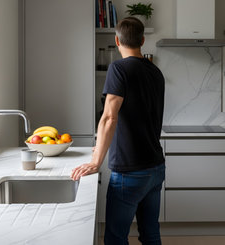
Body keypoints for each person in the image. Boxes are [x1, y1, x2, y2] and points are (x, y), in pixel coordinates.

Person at [70, 17, 165, 245]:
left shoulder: (118, 68)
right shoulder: (155, 72)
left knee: (115, 238)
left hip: (129, 171)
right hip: (154, 168)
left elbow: (109, 117)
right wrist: (107, 145)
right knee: (150, 234)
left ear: (117, 40)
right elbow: (136, 118)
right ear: (142, 40)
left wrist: (96, 160)